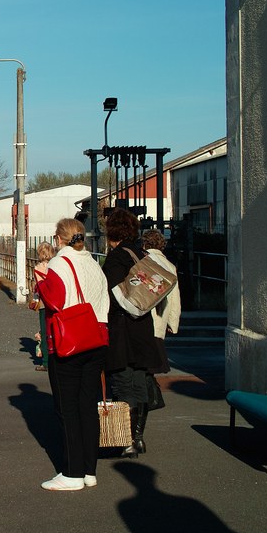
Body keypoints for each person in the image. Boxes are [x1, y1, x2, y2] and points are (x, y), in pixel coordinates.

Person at [34, 218, 110, 491]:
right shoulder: (93, 263)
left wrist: (40, 284)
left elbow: (55, 301)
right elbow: (104, 300)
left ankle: (72, 473)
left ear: (58, 239)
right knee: (88, 407)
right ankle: (89, 470)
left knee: (67, 409)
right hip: (97, 340)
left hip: (69, 342)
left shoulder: (58, 263)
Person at [103, 209, 161, 458]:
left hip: (122, 328)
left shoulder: (116, 258)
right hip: (143, 327)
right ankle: (138, 438)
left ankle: (126, 440)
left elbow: (113, 295)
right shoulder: (141, 255)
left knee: (124, 383)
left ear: (111, 232)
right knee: (139, 382)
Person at [141, 228, 181, 419]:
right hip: (159, 322)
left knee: (142, 368)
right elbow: (175, 299)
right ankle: (149, 399)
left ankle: (145, 401)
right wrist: (173, 322)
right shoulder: (170, 266)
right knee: (152, 365)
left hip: (143, 320)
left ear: (145, 244)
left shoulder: (143, 263)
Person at [30, 241, 56, 371]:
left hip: (44, 303)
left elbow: (38, 287)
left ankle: (46, 362)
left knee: (45, 332)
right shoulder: (56, 266)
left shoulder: (38, 268)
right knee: (56, 330)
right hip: (56, 302)